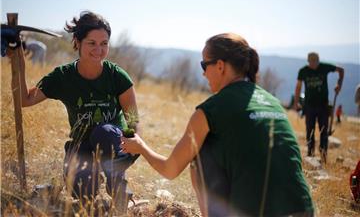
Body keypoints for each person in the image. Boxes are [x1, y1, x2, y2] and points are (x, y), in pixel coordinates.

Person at [121, 33, 314, 216]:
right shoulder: (272, 101)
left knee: (199, 156)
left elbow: (171, 170)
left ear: (220, 66)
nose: (203, 73)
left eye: (204, 65)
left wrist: (141, 148)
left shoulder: (210, 110)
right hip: (303, 208)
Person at [12, 11, 140, 210]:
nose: (99, 50)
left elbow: (132, 119)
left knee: (103, 132)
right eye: (92, 43)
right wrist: (18, 53)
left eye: (104, 43)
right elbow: (25, 100)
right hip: (82, 145)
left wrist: (129, 152)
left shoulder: (116, 76)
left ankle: (118, 185)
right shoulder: (64, 77)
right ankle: (91, 178)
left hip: (113, 143)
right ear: (77, 42)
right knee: (83, 192)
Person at [293, 52, 344, 163]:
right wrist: (296, 103)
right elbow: (298, 87)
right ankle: (310, 156)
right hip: (309, 106)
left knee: (324, 132)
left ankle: (323, 156)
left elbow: (341, 70)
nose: (314, 64)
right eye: (311, 61)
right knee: (309, 131)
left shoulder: (324, 67)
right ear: (308, 61)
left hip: (323, 106)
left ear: (318, 60)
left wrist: (339, 84)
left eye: (315, 61)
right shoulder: (303, 71)